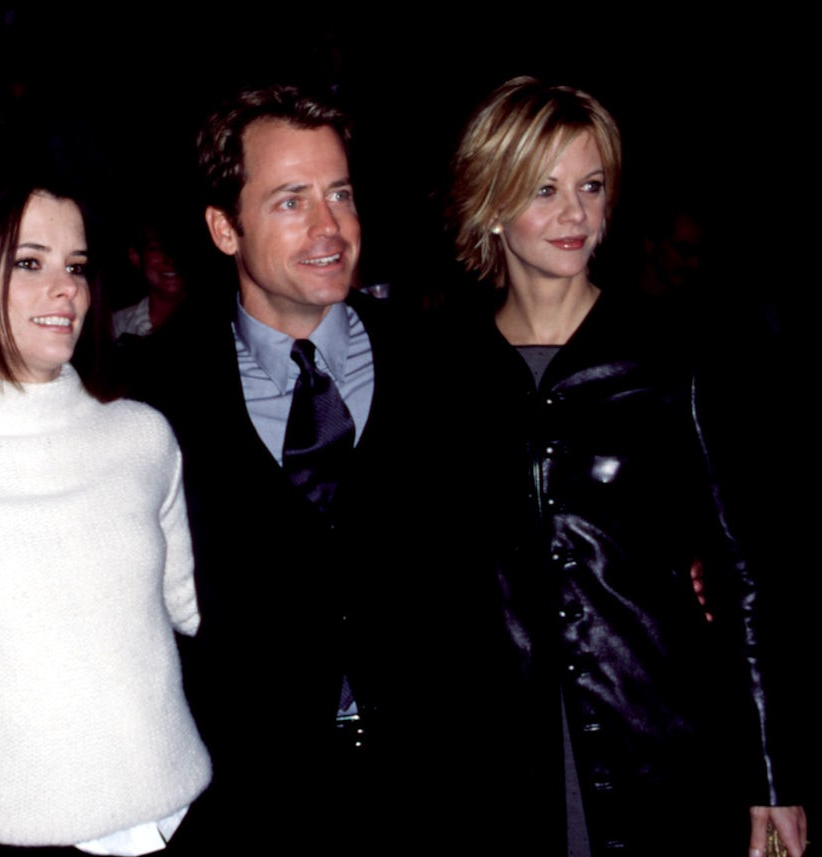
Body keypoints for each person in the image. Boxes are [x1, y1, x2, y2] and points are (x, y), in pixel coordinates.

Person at [441, 76, 808, 856]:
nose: (576, 213)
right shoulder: (442, 375)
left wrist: (771, 777)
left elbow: (746, 573)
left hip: (660, 750)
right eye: (544, 188)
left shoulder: (674, 355)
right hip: (501, 766)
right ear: (494, 202)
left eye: (592, 185)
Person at [130, 85, 412, 850]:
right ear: (225, 227)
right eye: (291, 201)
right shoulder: (152, 398)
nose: (330, 228)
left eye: (340, 194)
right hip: (252, 805)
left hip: (430, 792)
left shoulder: (444, 363)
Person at [0, 180, 210, 854]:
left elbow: (195, 608)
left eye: (77, 266)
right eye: (30, 263)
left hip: (182, 814)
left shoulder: (143, 435)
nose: (65, 288)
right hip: (8, 836)